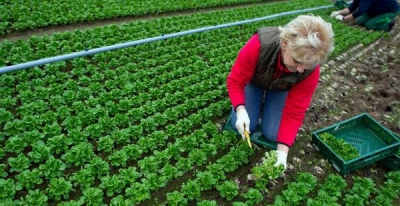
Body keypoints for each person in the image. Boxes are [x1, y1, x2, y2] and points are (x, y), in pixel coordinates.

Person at [226, 15, 334, 171]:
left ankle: (265, 104)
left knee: (273, 134)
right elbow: (235, 82)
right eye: (297, 61)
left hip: (280, 88)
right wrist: (240, 109)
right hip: (254, 82)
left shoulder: (309, 70)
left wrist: (283, 152)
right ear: (285, 44)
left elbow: (296, 110)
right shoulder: (259, 45)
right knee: (244, 125)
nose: (301, 69)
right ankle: (254, 104)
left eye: (307, 64)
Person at [330, 0, 399, 32]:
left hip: (389, 10)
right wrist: (339, 12)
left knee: (369, 25)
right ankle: (375, 17)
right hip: (375, 10)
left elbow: (361, 11)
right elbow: (352, 8)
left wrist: (344, 18)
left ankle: (388, 25)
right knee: (359, 21)